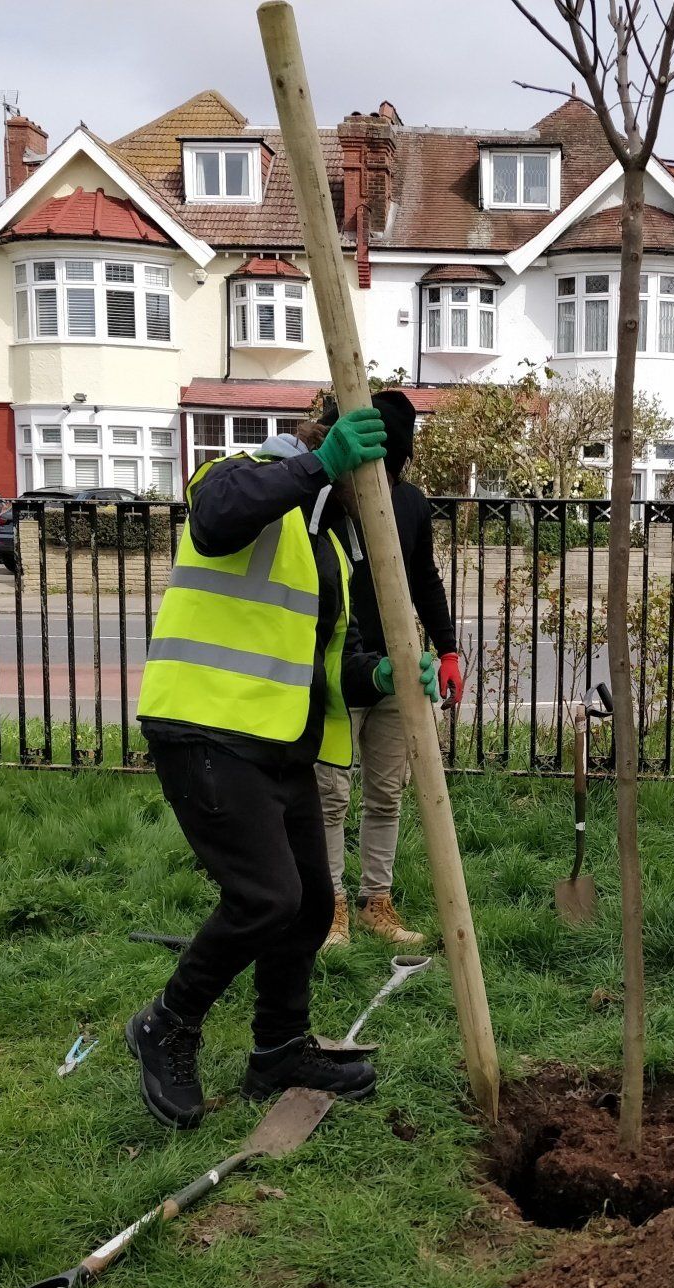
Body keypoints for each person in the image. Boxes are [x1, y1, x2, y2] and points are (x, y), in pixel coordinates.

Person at [127, 411, 440, 1130]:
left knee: (306, 905)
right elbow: (215, 519)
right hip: (206, 729)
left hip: (279, 744)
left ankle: (277, 1049)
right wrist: (317, 464)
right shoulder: (239, 475)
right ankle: (167, 1024)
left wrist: (385, 673)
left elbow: (333, 662)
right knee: (265, 899)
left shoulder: (325, 546)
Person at [315, 391, 462, 950]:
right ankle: (329, 910)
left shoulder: (411, 505)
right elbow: (329, 591)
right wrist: (365, 669)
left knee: (385, 792)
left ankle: (375, 900)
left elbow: (424, 579)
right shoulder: (327, 501)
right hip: (339, 668)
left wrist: (447, 650)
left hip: (400, 668)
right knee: (330, 793)